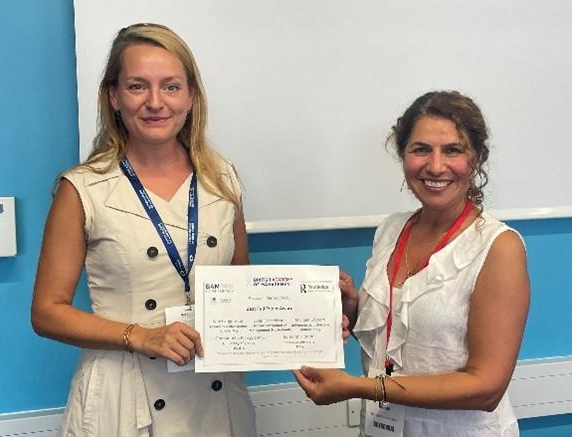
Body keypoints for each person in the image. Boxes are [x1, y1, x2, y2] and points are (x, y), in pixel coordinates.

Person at [31, 23, 257, 437]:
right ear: (114, 96)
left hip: (215, 398)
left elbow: (241, 289)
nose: (155, 102)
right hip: (122, 397)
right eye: (138, 86)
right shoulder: (83, 188)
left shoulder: (223, 180)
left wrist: (314, 312)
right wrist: (141, 336)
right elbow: (47, 312)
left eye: (170, 87)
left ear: (191, 96)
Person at [294, 91, 530, 436]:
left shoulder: (498, 248)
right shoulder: (391, 230)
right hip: (383, 427)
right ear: (403, 155)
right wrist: (352, 308)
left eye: (452, 150)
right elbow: (398, 341)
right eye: (421, 149)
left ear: (476, 158)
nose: (435, 166)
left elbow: (486, 388)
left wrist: (360, 387)